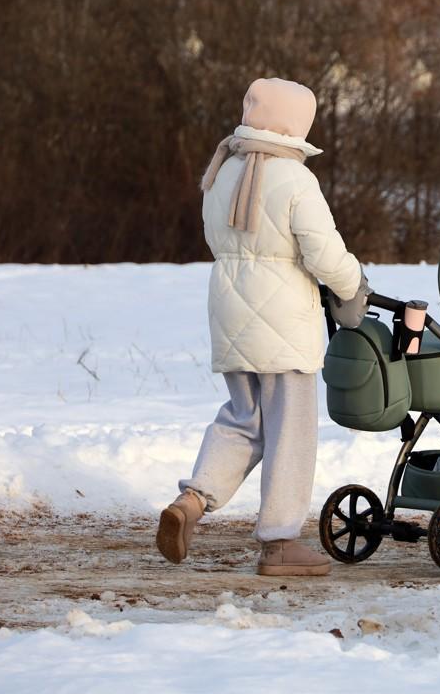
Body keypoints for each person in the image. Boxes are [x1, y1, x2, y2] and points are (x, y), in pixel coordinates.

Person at [156, 77, 369, 576]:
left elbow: (217, 238)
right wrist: (353, 282)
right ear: (296, 124)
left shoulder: (224, 168)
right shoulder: (295, 179)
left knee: (243, 419)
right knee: (291, 431)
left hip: (230, 314)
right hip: (284, 324)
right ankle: (279, 544)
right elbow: (323, 252)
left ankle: (191, 501)